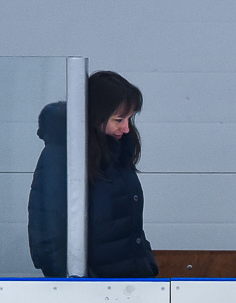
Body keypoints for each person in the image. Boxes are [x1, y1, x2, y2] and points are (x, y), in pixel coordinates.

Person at [28, 71, 158, 278]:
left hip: (128, 283)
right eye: (119, 119)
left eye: (130, 119)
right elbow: (48, 232)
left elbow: (129, 225)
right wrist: (75, 284)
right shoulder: (64, 156)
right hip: (91, 290)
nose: (126, 128)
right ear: (96, 115)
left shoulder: (118, 154)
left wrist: (146, 264)